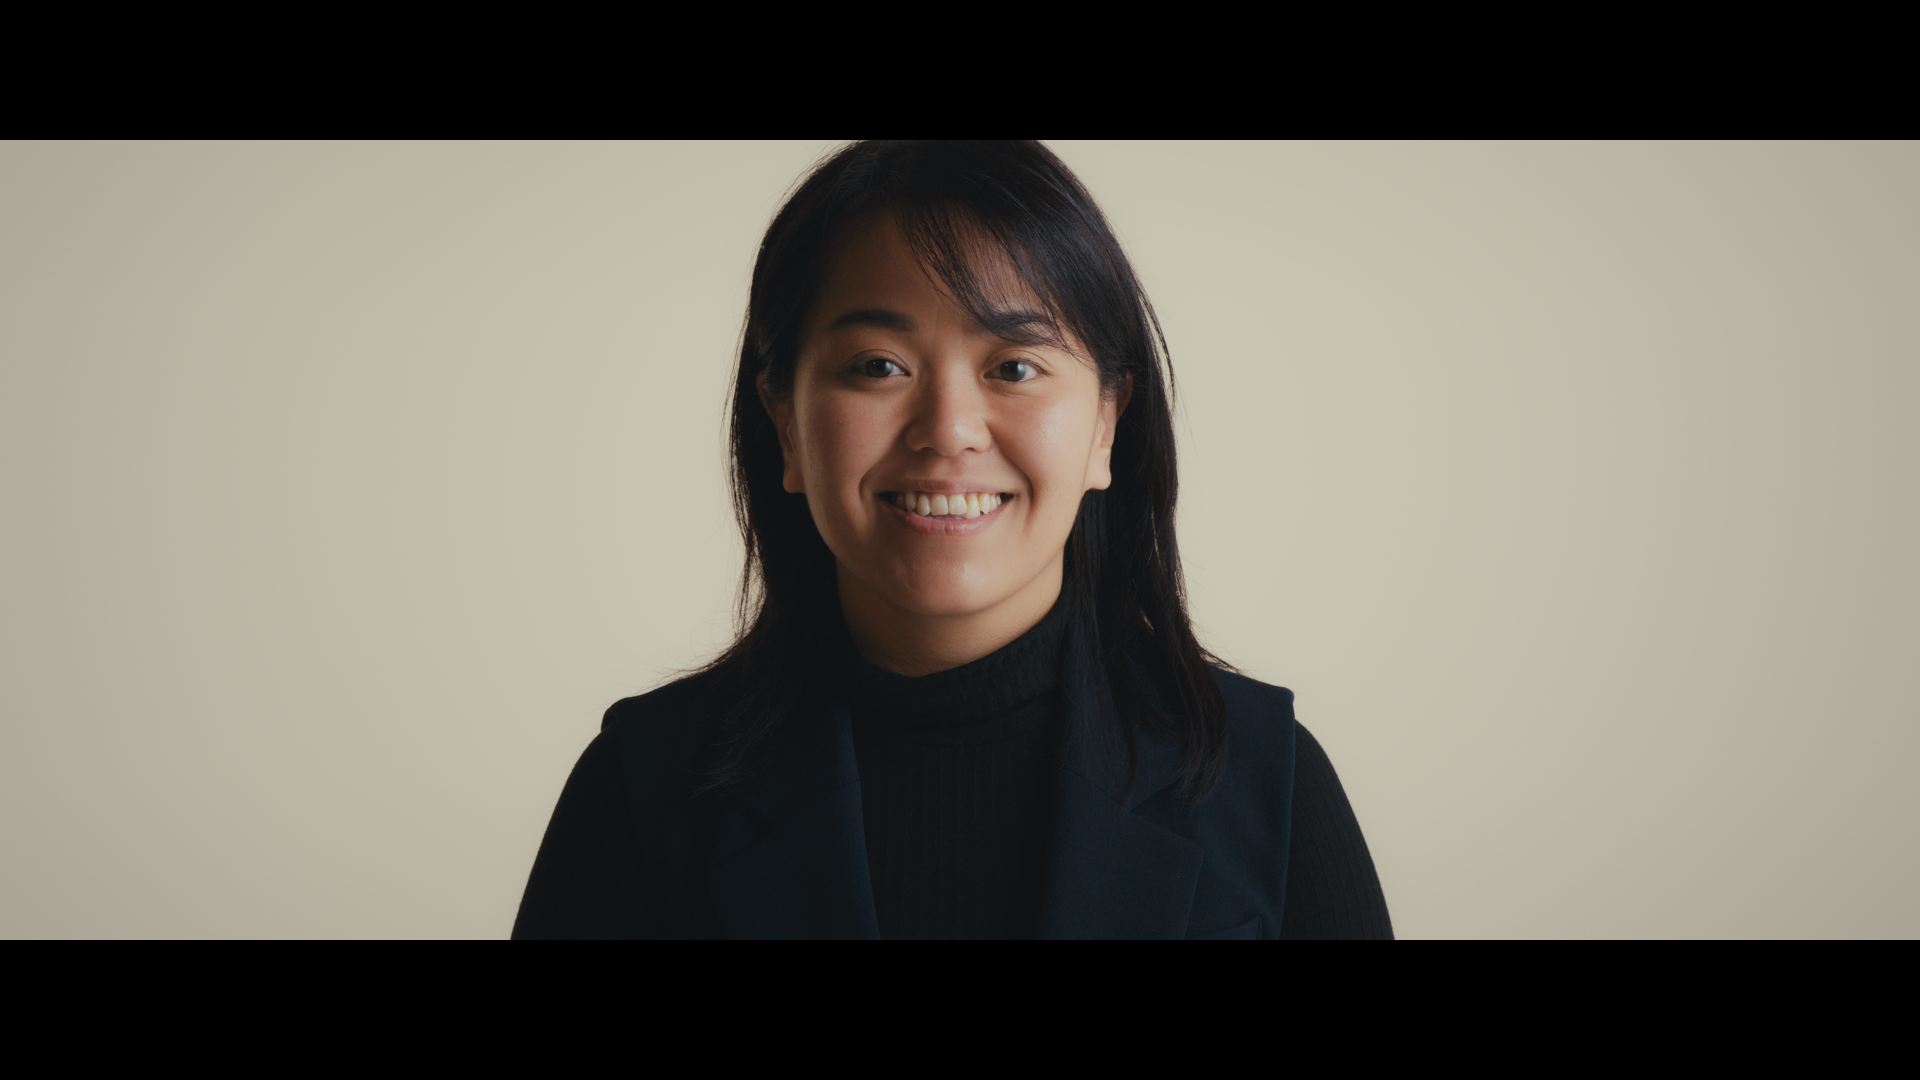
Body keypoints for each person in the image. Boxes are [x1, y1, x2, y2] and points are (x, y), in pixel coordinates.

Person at [512, 141, 1392, 939]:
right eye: (878, 367)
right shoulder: (642, 789)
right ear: (784, 423)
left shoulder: (1266, 786)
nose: (948, 429)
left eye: (1014, 367)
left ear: (1105, 428)